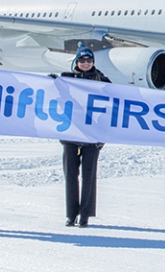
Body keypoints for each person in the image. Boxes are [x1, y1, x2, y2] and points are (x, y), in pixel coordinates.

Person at [58, 44, 109, 227]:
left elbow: (111, 107)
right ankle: (71, 214)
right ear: (76, 61)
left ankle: (85, 214)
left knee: (89, 176)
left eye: (88, 60)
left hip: (92, 137)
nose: (85, 63)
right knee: (71, 176)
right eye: (82, 60)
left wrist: (103, 135)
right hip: (71, 134)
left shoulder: (102, 81)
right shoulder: (67, 79)